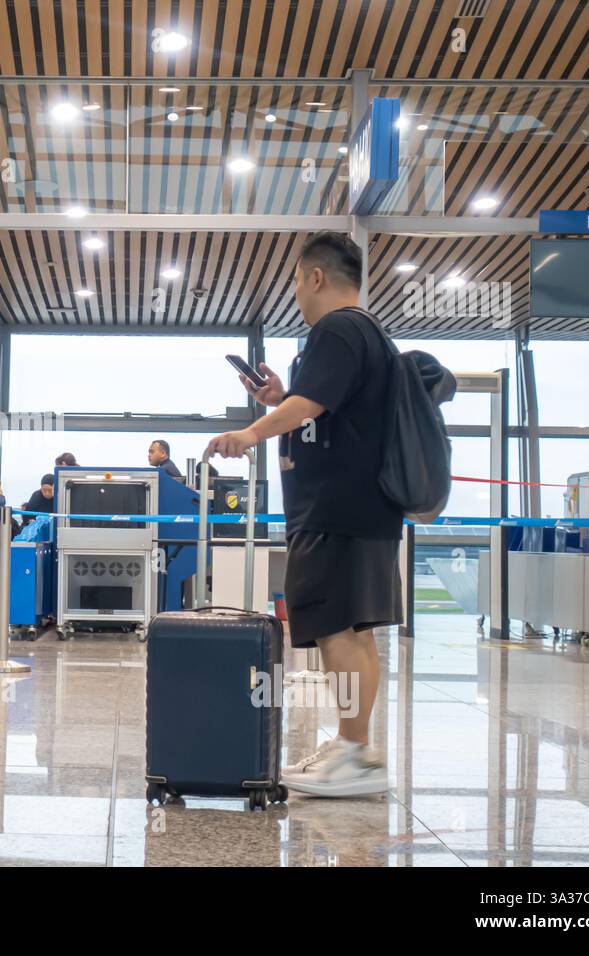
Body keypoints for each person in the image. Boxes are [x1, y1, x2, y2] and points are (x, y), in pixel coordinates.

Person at [204, 231, 399, 798]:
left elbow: (313, 405)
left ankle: (355, 755)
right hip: (359, 508)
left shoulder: (336, 329)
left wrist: (250, 431)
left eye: (295, 278)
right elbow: (320, 406)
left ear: (315, 276)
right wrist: (280, 398)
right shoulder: (364, 333)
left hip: (335, 510)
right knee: (354, 630)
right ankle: (353, 748)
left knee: (337, 627)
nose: (295, 290)